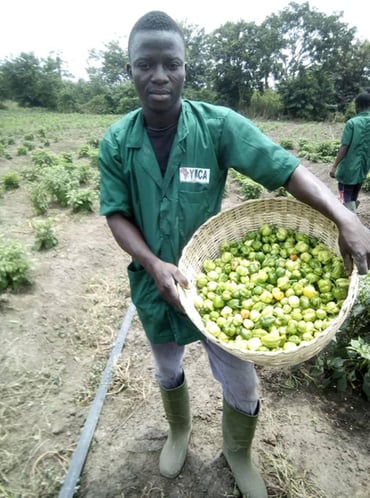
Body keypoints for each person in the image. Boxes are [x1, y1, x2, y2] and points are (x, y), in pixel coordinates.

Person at [99, 11, 370, 498]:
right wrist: (154, 263)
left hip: (210, 281)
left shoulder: (216, 127)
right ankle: (179, 431)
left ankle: (238, 451)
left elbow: (285, 168)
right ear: (131, 71)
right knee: (166, 366)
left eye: (171, 63)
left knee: (241, 383)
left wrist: (344, 215)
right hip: (153, 282)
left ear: (185, 69)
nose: (159, 76)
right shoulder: (117, 142)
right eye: (146, 64)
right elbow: (116, 213)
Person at [330, 92, 370, 214]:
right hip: (363, 169)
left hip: (348, 172)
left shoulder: (352, 123)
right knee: (353, 197)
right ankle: (352, 214)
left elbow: (344, 147)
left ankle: (349, 222)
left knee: (345, 199)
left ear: (357, 106)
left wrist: (334, 167)